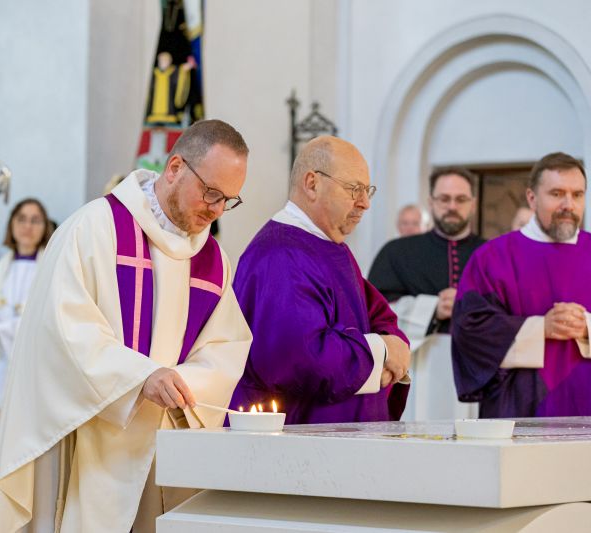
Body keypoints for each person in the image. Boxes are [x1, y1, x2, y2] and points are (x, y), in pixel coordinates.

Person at [0, 119, 252, 533]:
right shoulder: (94, 228)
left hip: (166, 450)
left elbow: (226, 347)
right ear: (176, 167)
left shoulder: (214, 259)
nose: (216, 210)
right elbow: (64, 329)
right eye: (211, 193)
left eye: (229, 200)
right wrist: (139, 379)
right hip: (89, 442)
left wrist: (182, 383)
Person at [229, 136, 410, 425]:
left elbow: (378, 315)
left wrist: (393, 348)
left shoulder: (330, 246)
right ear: (312, 183)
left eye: (367, 191)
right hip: (296, 442)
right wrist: (384, 353)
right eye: (354, 189)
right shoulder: (281, 254)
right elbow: (304, 358)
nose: (364, 203)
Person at [452, 152, 591, 418]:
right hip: (517, 404)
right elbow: (469, 329)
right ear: (531, 198)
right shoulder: (492, 257)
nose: (568, 204)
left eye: (577, 195)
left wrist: (586, 326)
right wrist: (540, 328)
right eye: (557, 193)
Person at [368, 168, 485, 420]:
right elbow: (374, 314)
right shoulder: (397, 252)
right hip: (420, 366)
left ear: (473, 204)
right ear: (431, 202)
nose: (452, 206)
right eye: (444, 199)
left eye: (461, 199)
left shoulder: (491, 254)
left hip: (477, 366)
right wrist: (432, 309)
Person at [0, 198, 54, 505]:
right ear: (11, 225)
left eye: (35, 220)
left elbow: (45, 321)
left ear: (45, 227)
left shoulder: (51, 267)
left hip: (31, 379)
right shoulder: (0, 268)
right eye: (21, 218)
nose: (27, 226)